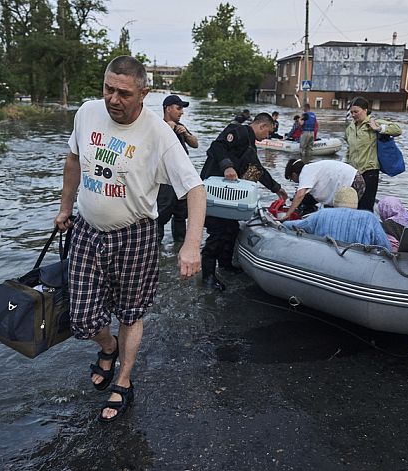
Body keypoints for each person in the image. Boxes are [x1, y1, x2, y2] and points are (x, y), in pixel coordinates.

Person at [54, 56, 206, 422]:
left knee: (130, 312)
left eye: (123, 93)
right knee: (83, 318)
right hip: (87, 230)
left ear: (143, 93)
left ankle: (123, 379)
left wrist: (190, 245)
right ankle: (107, 348)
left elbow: (196, 190)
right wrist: (65, 206)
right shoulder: (87, 113)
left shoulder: (159, 134)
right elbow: (74, 159)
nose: (113, 99)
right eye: (108, 89)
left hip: (135, 234)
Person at [200, 112, 288, 290]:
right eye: (268, 132)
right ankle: (207, 276)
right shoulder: (238, 131)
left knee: (231, 229)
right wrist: (228, 166)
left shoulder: (251, 148)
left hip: (228, 197)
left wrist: (277, 188)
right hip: (213, 194)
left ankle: (225, 265)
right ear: (262, 126)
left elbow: (258, 171)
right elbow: (217, 146)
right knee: (216, 233)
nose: (268, 137)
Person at [283, 187, 391, 249]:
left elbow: (297, 225)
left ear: (334, 201)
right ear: (356, 202)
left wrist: (281, 222)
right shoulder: (369, 218)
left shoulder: (322, 214)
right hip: (359, 265)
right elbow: (385, 247)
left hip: (324, 260)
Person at [345, 96, 402, 211]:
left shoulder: (373, 123)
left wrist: (379, 128)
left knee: (365, 206)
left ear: (365, 110)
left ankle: (366, 227)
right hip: (353, 172)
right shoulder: (350, 128)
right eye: (351, 112)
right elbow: (349, 149)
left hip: (369, 171)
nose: (353, 115)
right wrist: (344, 163)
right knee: (352, 205)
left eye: (356, 112)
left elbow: (397, 129)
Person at [157, 94, 199, 244]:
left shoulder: (181, 126)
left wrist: (185, 133)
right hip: (165, 182)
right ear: (168, 109)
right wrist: (169, 129)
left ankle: (179, 247)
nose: (182, 112)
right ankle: (156, 251)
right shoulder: (158, 125)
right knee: (160, 216)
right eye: (179, 108)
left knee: (181, 215)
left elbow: (195, 144)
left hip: (181, 181)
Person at [282, 158, 366, 219]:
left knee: (340, 217)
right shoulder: (312, 168)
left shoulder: (305, 172)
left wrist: (288, 214)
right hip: (357, 179)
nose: (293, 181)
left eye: (291, 179)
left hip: (352, 182)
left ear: (293, 174)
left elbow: (300, 195)